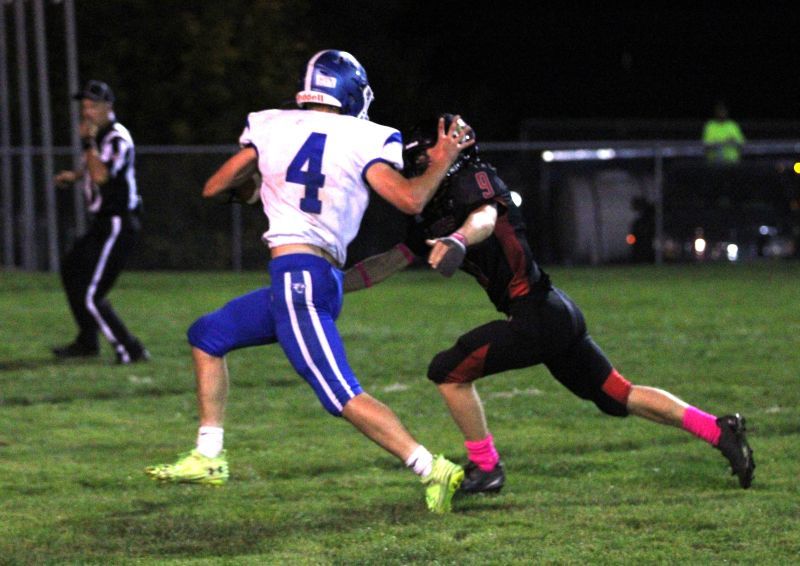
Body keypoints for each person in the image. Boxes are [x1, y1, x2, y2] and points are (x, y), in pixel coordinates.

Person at [343, 114, 756, 494]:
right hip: (553, 314)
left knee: (447, 371)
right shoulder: (435, 207)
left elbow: (484, 218)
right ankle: (719, 430)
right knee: (618, 395)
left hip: (536, 314)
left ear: (452, 149)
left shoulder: (473, 180)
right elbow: (391, 261)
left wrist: (459, 240)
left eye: (427, 145)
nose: (417, 152)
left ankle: (486, 468)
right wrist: (337, 284)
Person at [145, 51, 474, 514]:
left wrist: (253, 180)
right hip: (306, 280)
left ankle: (431, 466)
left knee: (339, 392)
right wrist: (442, 159)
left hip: (301, 279)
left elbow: (216, 186)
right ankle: (209, 454)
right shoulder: (366, 136)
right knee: (207, 335)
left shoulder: (273, 126)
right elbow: (410, 197)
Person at [52, 80, 150, 364]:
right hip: (103, 222)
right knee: (72, 270)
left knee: (91, 294)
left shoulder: (117, 137)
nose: (87, 112)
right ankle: (87, 341)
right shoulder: (101, 137)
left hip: (118, 222)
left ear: (109, 107)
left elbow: (103, 176)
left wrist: (86, 142)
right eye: (84, 106)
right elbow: (95, 169)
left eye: (93, 106)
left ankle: (131, 350)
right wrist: (74, 176)